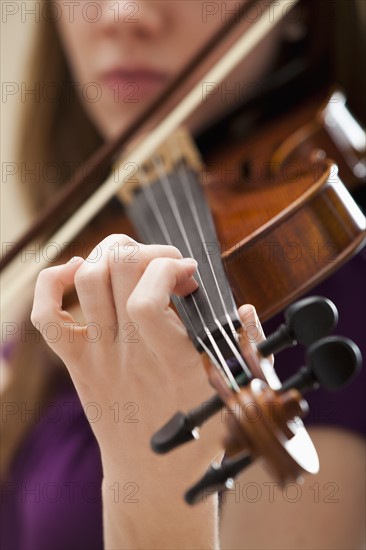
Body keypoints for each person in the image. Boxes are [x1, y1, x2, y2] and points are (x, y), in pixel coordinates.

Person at [1, 1, 365, 549]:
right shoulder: (78, 275)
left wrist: (149, 487)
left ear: (295, 12)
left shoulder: (330, 306)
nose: (124, 13)